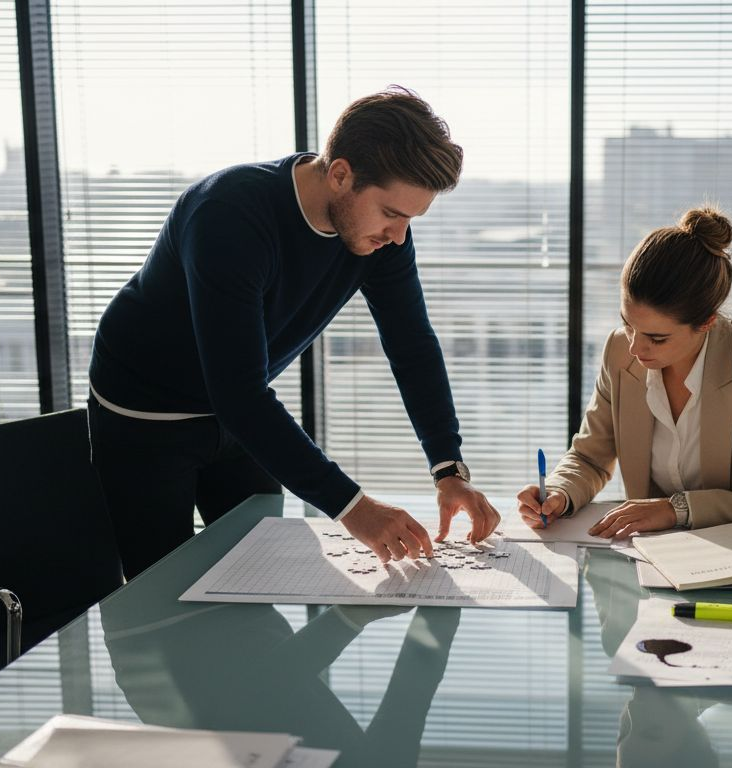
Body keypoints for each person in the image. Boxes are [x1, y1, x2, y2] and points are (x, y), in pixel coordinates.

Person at [87, 86, 499, 578]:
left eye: (410, 219)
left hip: (239, 412)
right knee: (157, 593)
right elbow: (237, 392)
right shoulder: (229, 214)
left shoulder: (381, 240)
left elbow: (412, 346)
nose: (399, 236)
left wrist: (447, 468)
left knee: (259, 577)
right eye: (392, 213)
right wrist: (354, 507)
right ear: (341, 174)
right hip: (145, 414)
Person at [517, 207, 732, 537]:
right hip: (649, 558)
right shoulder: (619, 350)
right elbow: (590, 458)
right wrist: (559, 494)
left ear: (707, 322)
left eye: (657, 338)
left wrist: (678, 509)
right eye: (628, 324)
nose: (636, 348)